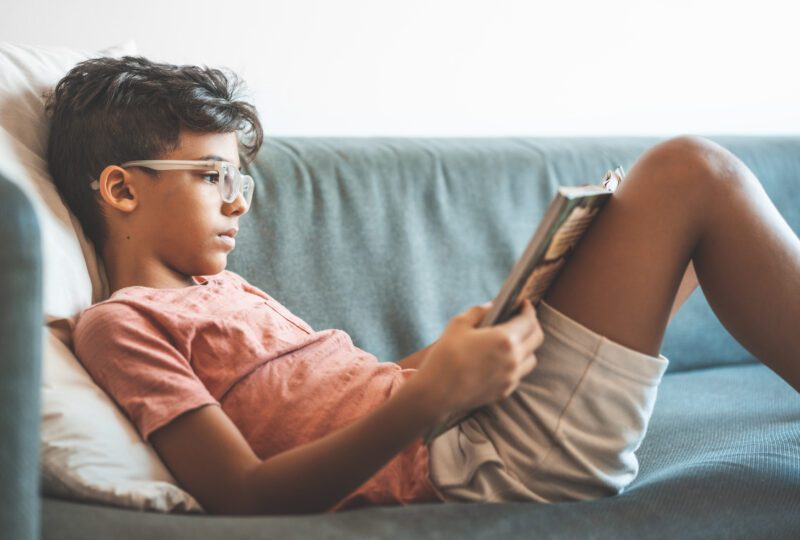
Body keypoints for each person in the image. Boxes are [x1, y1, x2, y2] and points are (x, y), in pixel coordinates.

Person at [45, 56, 800, 516]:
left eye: (238, 179)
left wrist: (461, 347)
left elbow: (358, 389)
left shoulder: (226, 290)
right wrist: (435, 394)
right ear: (121, 189)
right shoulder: (122, 325)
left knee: (659, 222)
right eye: (213, 176)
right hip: (475, 463)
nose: (239, 202)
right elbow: (244, 494)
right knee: (691, 174)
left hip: (465, 422)